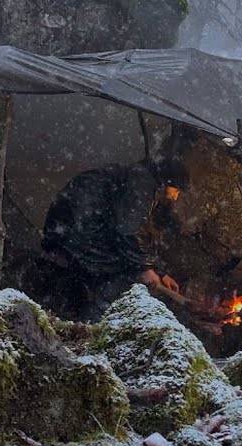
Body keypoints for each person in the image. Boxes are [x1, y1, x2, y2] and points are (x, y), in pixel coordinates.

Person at [41, 132, 189, 319]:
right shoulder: (143, 183)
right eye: (176, 191)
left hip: (68, 227)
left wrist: (159, 271)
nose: (175, 197)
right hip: (79, 232)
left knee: (117, 271)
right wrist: (144, 268)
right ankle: (92, 323)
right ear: (167, 183)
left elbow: (131, 232)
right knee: (119, 280)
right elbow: (127, 231)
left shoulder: (137, 176)